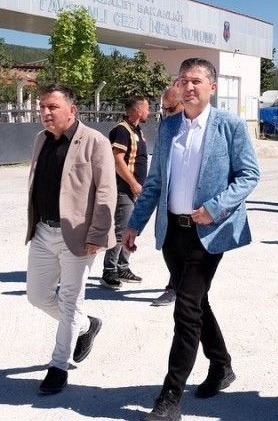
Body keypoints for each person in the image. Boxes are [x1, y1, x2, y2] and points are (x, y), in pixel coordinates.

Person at [126, 58, 261, 421]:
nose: (188, 87)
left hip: (208, 234)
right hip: (173, 232)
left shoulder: (229, 125)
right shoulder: (169, 126)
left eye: (196, 81)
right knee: (197, 303)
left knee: (185, 310)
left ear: (212, 87)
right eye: (183, 80)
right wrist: (135, 224)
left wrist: (215, 208)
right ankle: (221, 364)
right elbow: (155, 181)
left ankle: (170, 397)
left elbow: (249, 175)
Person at [24, 85, 115, 395]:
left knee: (70, 300)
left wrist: (98, 234)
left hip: (78, 236)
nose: (45, 112)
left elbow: (106, 190)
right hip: (43, 231)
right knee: (37, 296)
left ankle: (58, 366)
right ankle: (87, 325)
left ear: (72, 110)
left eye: (52, 107)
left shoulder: (94, 141)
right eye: (42, 107)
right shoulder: (41, 139)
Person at [104, 95, 150, 290]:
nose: (149, 112)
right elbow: (117, 160)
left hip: (135, 189)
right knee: (121, 230)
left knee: (132, 228)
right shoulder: (122, 130)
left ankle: (122, 267)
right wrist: (133, 183)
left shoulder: (136, 130)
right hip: (124, 188)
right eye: (147, 108)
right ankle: (109, 271)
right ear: (138, 110)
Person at [151, 86, 182, 308]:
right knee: (170, 247)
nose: (167, 114)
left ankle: (174, 288)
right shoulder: (166, 129)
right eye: (164, 110)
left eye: (170, 109)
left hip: (195, 213)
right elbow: (155, 177)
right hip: (169, 207)